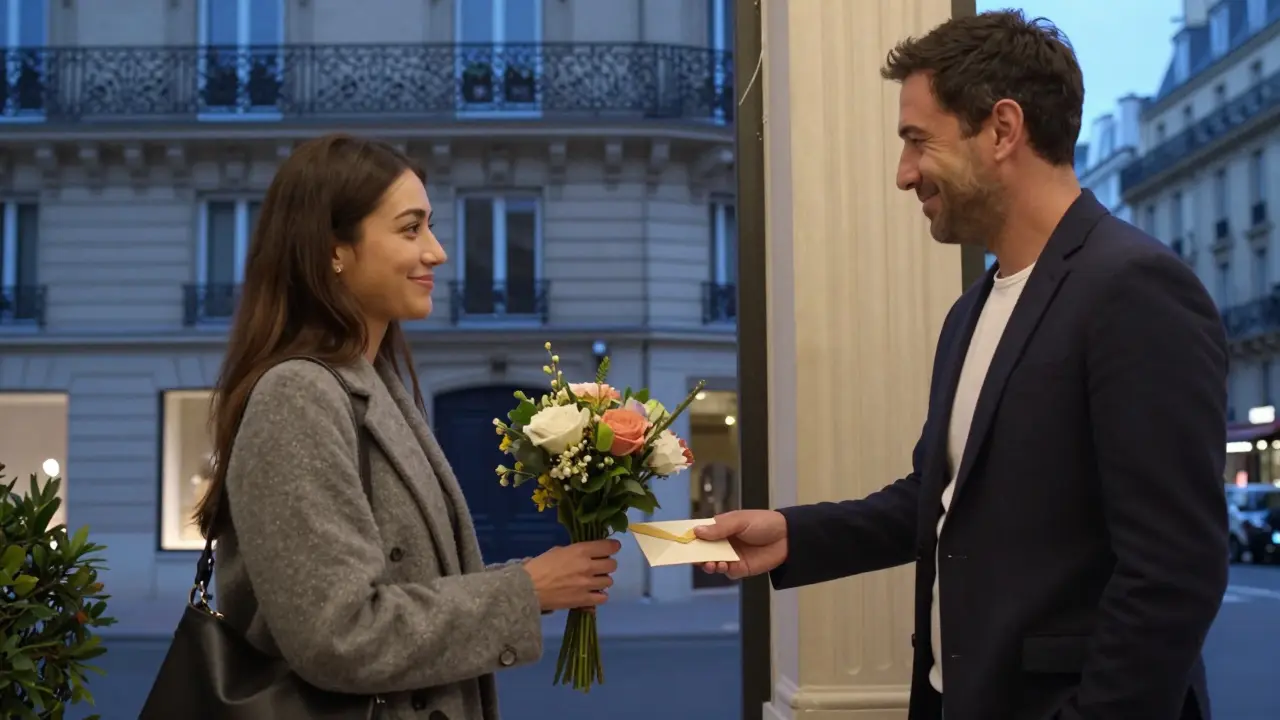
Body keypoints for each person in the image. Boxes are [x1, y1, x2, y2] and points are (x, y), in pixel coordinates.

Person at [696, 11, 1228, 720]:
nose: (903, 173)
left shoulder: (1134, 290)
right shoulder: (970, 311)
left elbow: (1175, 573)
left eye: (918, 141)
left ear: (1003, 130)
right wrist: (792, 534)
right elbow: (935, 500)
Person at [191, 134, 621, 719]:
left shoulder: (371, 383)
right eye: (411, 228)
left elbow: (408, 584)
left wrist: (534, 579)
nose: (438, 252)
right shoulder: (299, 395)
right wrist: (526, 591)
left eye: (430, 227)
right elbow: (338, 635)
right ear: (333, 250)